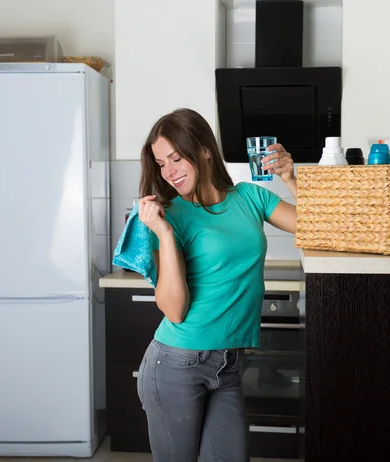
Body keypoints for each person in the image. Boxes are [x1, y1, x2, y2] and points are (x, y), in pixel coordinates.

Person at [135, 108, 297, 462]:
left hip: (228, 364)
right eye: (161, 163)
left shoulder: (251, 197)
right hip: (176, 365)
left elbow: (317, 226)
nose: (169, 171)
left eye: (176, 158)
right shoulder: (171, 217)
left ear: (205, 149)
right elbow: (174, 309)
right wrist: (162, 233)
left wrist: (290, 177)